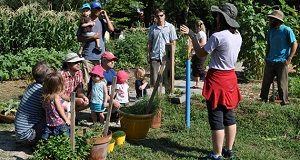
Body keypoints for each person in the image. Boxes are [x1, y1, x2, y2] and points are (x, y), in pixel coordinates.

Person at [181, 3, 242, 160]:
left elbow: (201, 53)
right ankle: (228, 150)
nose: (215, 17)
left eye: (217, 15)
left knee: (216, 117)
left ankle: (216, 154)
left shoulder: (218, 36)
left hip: (217, 79)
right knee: (229, 115)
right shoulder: (238, 36)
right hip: (230, 78)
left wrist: (193, 36)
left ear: (222, 18)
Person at [259, 10, 298, 106]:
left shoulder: (287, 30)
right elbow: (269, 44)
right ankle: (263, 99)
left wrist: (289, 58)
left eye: (272, 19)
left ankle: (284, 102)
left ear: (277, 20)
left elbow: (294, 44)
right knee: (266, 83)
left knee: (282, 84)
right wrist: (267, 55)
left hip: (281, 61)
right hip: (270, 60)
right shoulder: (270, 31)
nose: (270, 20)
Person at [76, 1, 114, 84]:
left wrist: (106, 16)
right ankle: (88, 96)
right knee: (88, 81)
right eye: (95, 9)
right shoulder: (85, 21)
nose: (97, 11)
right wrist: (93, 37)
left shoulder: (102, 21)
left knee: (100, 81)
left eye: (99, 9)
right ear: (91, 10)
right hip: (88, 56)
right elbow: (79, 38)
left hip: (101, 58)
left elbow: (111, 29)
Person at [14, 62, 52, 145]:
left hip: (21, 133)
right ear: (48, 75)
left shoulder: (33, 86)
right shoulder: (42, 91)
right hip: (27, 134)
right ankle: (46, 141)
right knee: (56, 115)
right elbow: (54, 108)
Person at [147, 9, 178, 86]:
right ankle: (157, 97)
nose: (160, 17)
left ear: (164, 16)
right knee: (155, 81)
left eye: (161, 15)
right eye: (158, 16)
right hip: (155, 55)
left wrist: (172, 56)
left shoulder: (170, 27)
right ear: (156, 17)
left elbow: (173, 42)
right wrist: (148, 54)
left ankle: (167, 97)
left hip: (166, 56)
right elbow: (150, 42)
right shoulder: (153, 28)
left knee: (167, 80)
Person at [41, 72, 71, 139]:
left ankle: (43, 146)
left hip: (49, 122)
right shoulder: (56, 97)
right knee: (64, 137)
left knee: (48, 138)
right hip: (59, 122)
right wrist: (66, 119)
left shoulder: (45, 97)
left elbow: (44, 107)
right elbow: (59, 108)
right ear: (59, 86)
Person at [191, 20, 207, 88]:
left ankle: (208, 79)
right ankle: (197, 83)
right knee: (195, 68)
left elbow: (203, 43)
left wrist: (194, 47)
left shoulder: (200, 33)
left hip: (200, 52)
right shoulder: (201, 33)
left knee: (199, 68)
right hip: (198, 52)